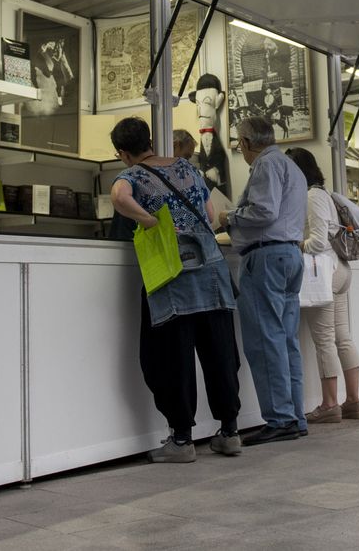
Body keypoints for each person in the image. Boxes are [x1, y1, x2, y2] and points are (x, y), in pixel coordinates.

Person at [109, 117, 241, 461]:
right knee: (220, 353)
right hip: (211, 270)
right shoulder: (187, 167)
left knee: (170, 356)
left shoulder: (132, 175)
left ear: (123, 153)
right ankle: (229, 432)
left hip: (172, 274)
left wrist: (150, 221)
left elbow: (118, 197)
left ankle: (182, 440)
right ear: (150, 140)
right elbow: (211, 215)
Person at [216, 115, 308, 444]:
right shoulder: (291, 166)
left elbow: (264, 211)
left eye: (239, 142)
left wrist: (229, 215)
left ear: (246, 143)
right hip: (289, 255)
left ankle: (280, 418)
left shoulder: (265, 165)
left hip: (266, 256)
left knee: (265, 340)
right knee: (285, 340)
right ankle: (295, 416)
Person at [286, 148, 359, 422]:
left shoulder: (311, 196)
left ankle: (330, 404)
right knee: (342, 337)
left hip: (324, 273)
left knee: (325, 342)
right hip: (340, 269)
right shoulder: (324, 194)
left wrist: (294, 244)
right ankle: (353, 401)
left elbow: (318, 241)